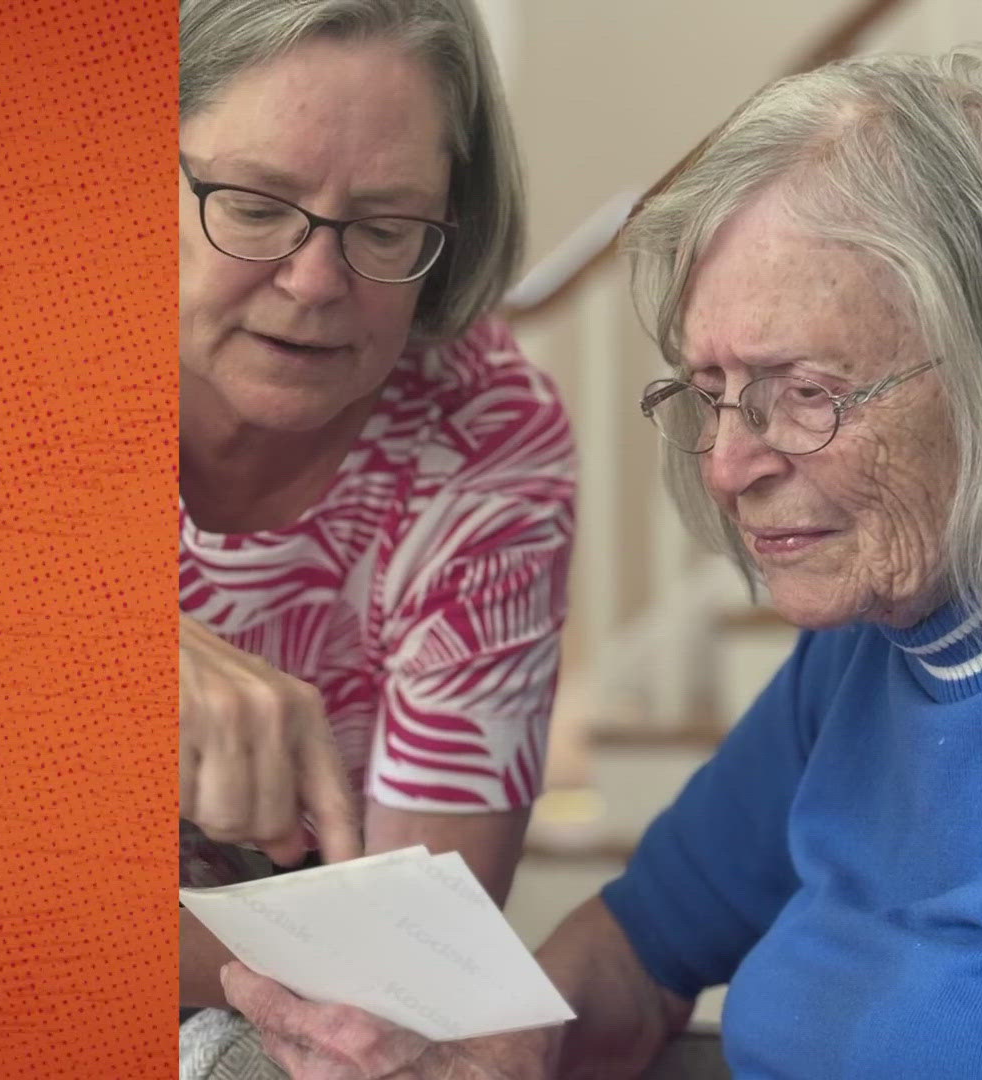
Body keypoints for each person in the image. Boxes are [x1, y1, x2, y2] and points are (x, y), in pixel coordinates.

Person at [219, 47, 982, 1080]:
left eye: (808, 389)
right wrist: (493, 1056)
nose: (728, 464)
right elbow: (635, 953)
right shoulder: (866, 657)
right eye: (712, 390)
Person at [175, 0, 574, 1028]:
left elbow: (411, 960)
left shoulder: (492, 443)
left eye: (387, 228)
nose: (314, 282)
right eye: (255, 206)